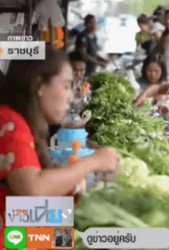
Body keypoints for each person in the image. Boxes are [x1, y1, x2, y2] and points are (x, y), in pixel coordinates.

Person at [0, 48, 120, 247]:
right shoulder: (8, 121)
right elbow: (34, 189)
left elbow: (26, 206)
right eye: (66, 86)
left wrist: (81, 203)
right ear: (39, 85)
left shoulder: (24, 123)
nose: (70, 98)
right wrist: (93, 162)